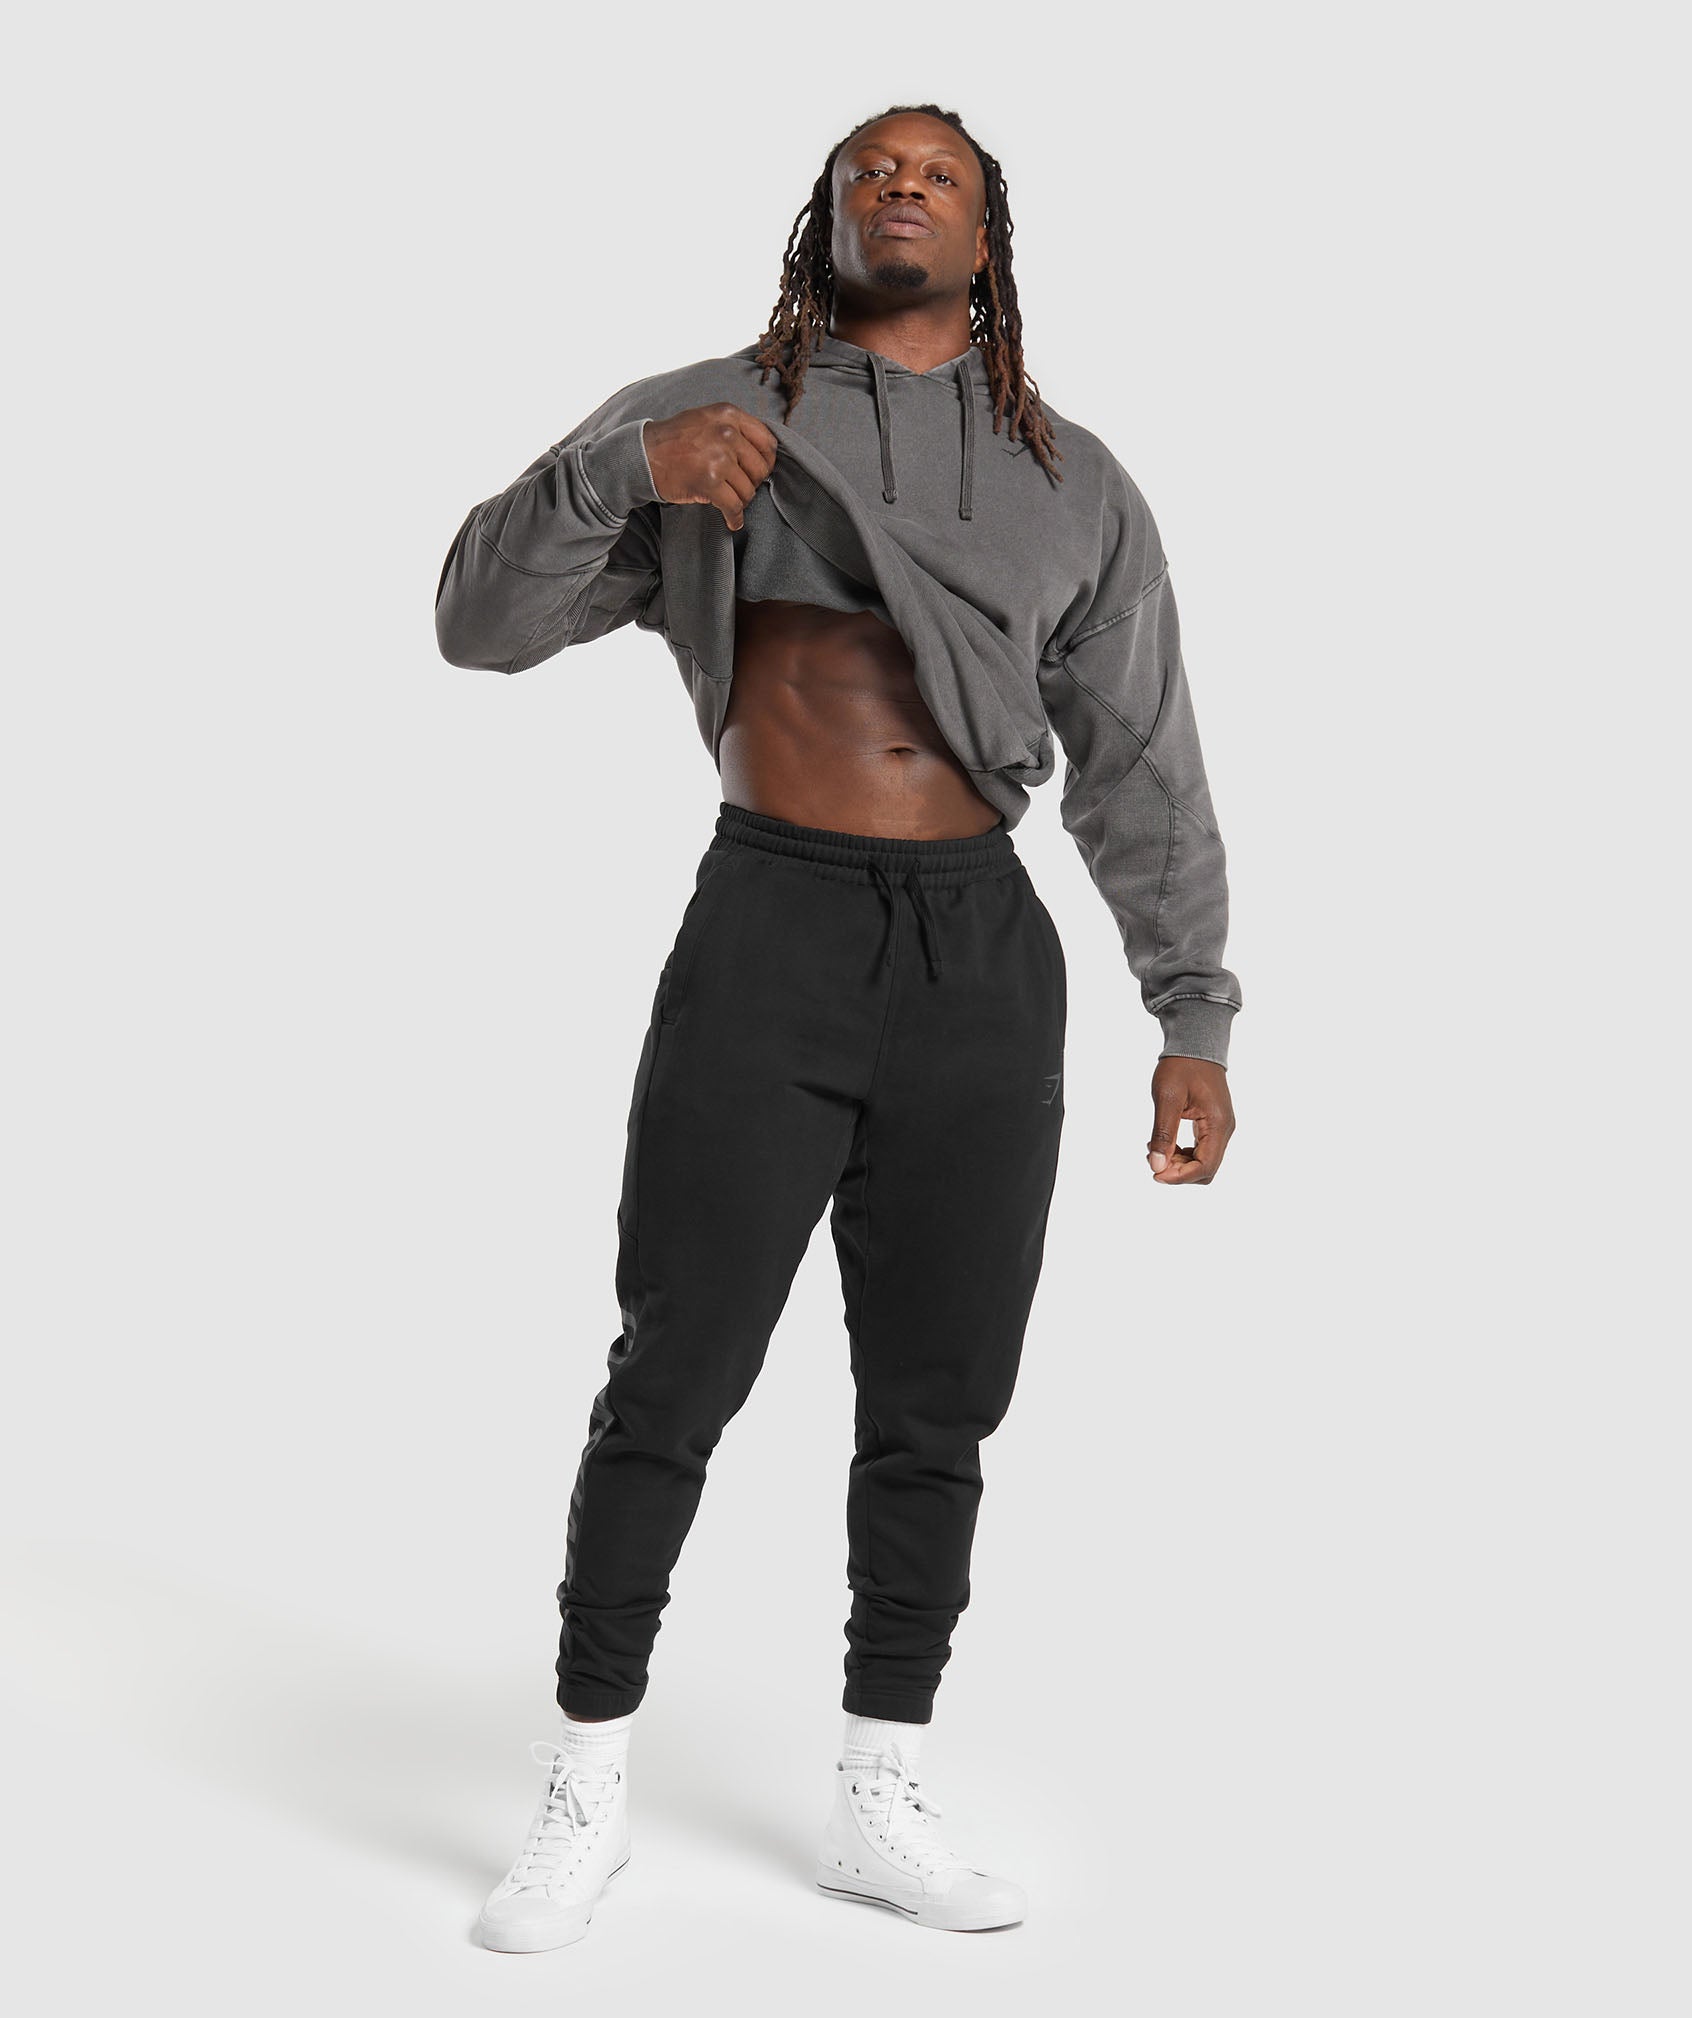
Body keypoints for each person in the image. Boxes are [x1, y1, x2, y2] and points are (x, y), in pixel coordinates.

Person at [434, 100, 1242, 1951]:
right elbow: (478, 621)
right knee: (676, 1364)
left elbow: (1143, 758)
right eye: (870, 167)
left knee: (941, 1394)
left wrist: (1189, 1007)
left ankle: (881, 1786)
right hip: (771, 920)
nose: (901, 186)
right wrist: (620, 472)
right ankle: (585, 1782)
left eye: (938, 172)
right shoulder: (710, 414)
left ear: (988, 232)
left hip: (981, 952)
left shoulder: (1074, 478)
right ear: (823, 213)